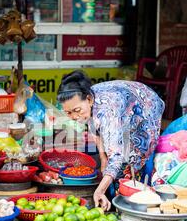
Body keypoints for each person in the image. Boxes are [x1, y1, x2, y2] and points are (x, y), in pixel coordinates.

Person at [57, 71, 165, 211]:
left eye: (77, 110)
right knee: (112, 155)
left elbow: (117, 156)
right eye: (68, 112)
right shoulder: (88, 104)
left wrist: (100, 190)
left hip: (146, 105)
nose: (74, 116)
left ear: (89, 100)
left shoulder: (109, 113)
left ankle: (131, 198)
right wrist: (103, 158)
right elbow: (93, 126)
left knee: (132, 155)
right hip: (124, 102)